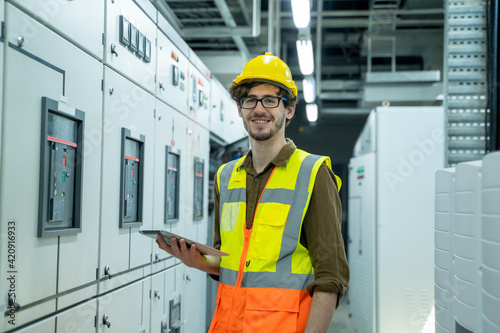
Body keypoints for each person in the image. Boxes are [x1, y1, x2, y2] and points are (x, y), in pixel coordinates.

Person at [156, 52, 349, 333]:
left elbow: (331, 277)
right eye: (250, 100)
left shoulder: (313, 173)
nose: (260, 109)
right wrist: (200, 262)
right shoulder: (226, 176)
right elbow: (231, 263)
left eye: (271, 100)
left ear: (289, 109)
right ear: (240, 109)